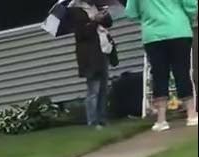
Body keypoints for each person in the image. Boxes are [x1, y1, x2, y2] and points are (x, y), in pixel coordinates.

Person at [125, 0, 198, 130]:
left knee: (159, 76)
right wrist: (188, 18)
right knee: (182, 72)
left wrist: (147, 17)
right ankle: (191, 115)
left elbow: (131, 13)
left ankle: (161, 119)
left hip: (153, 34)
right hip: (178, 29)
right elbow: (191, 5)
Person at [70, 1, 115, 128]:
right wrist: (95, 20)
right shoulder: (77, 11)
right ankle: (93, 121)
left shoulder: (96, 7)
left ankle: (102, 119)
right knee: (93, 89)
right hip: (90, 56)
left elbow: (108, 23)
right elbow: (82, 34)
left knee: (103, 89)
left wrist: (105, 14)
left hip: (103, 51)